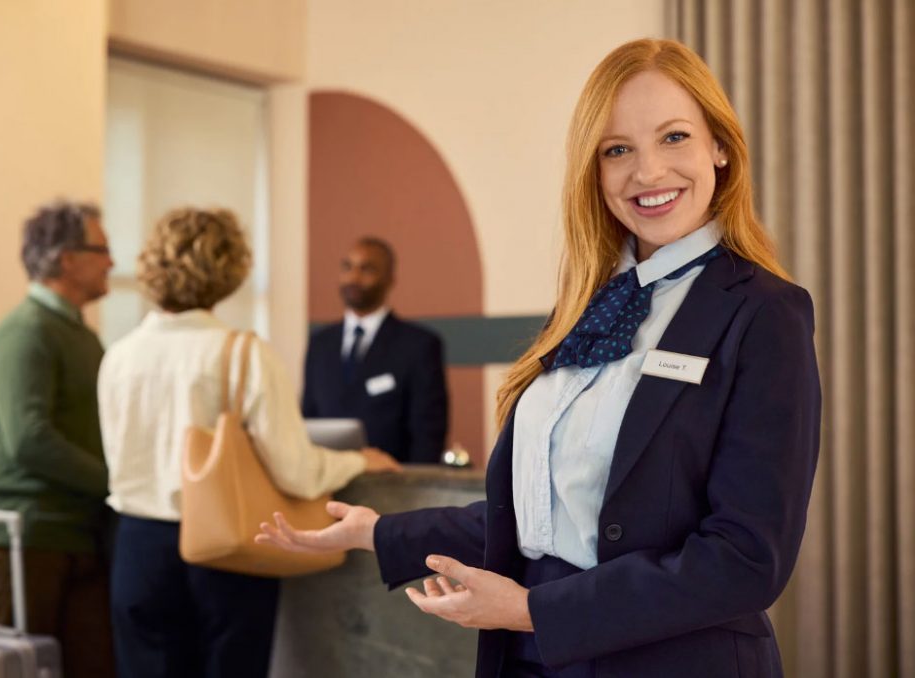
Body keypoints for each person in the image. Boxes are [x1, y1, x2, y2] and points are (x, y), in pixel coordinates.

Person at [257, 38, 820, 678]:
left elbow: (744, 560)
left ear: (719, 147)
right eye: (617, 150)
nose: (648, 172)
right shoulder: (587, 308)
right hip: (535, 658)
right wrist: (375, 532)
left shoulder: (763, 313)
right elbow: (540, 515)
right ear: (593, 170)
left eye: (673, 138)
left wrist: (534, 610)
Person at [98, 207, 400, 678]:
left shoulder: (118, 355)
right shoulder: (244, 354)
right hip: (225, 546)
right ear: (229, 270)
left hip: (136, 548)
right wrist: (356, 462)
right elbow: (295, 471)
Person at [0, 200, 116, 678]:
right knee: (18, 670)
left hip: (77, 530)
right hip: (27, 532)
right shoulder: (25, 331)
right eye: (102, 248)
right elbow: (29, 440)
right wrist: (115, 483)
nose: (112, 261)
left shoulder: (79, 335)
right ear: (67, 259)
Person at [302, 237, 449, 463]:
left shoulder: (419, 345)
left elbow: (428, 433)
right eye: (347, 267)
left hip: (393, 486)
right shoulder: (320, 343)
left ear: (390, 279)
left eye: (367, 269)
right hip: (326, 482)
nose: (354, 277)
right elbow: (308, 420)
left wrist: (418, 490)